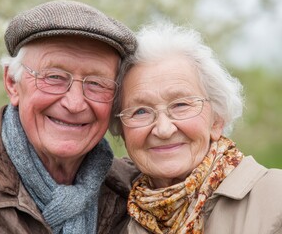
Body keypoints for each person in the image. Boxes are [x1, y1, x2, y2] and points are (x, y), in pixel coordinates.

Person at [0, 0, 140, 234]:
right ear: (12, 83)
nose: (75, 103)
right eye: (54, 77)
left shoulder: (136, 194)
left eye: (97, 83)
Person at [109, 21, 282, 234]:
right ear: (123, 132)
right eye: (141, 111)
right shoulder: (113, 214)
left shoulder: (275, 199)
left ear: (217, 120)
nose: (163, 129)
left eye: (181, 105)